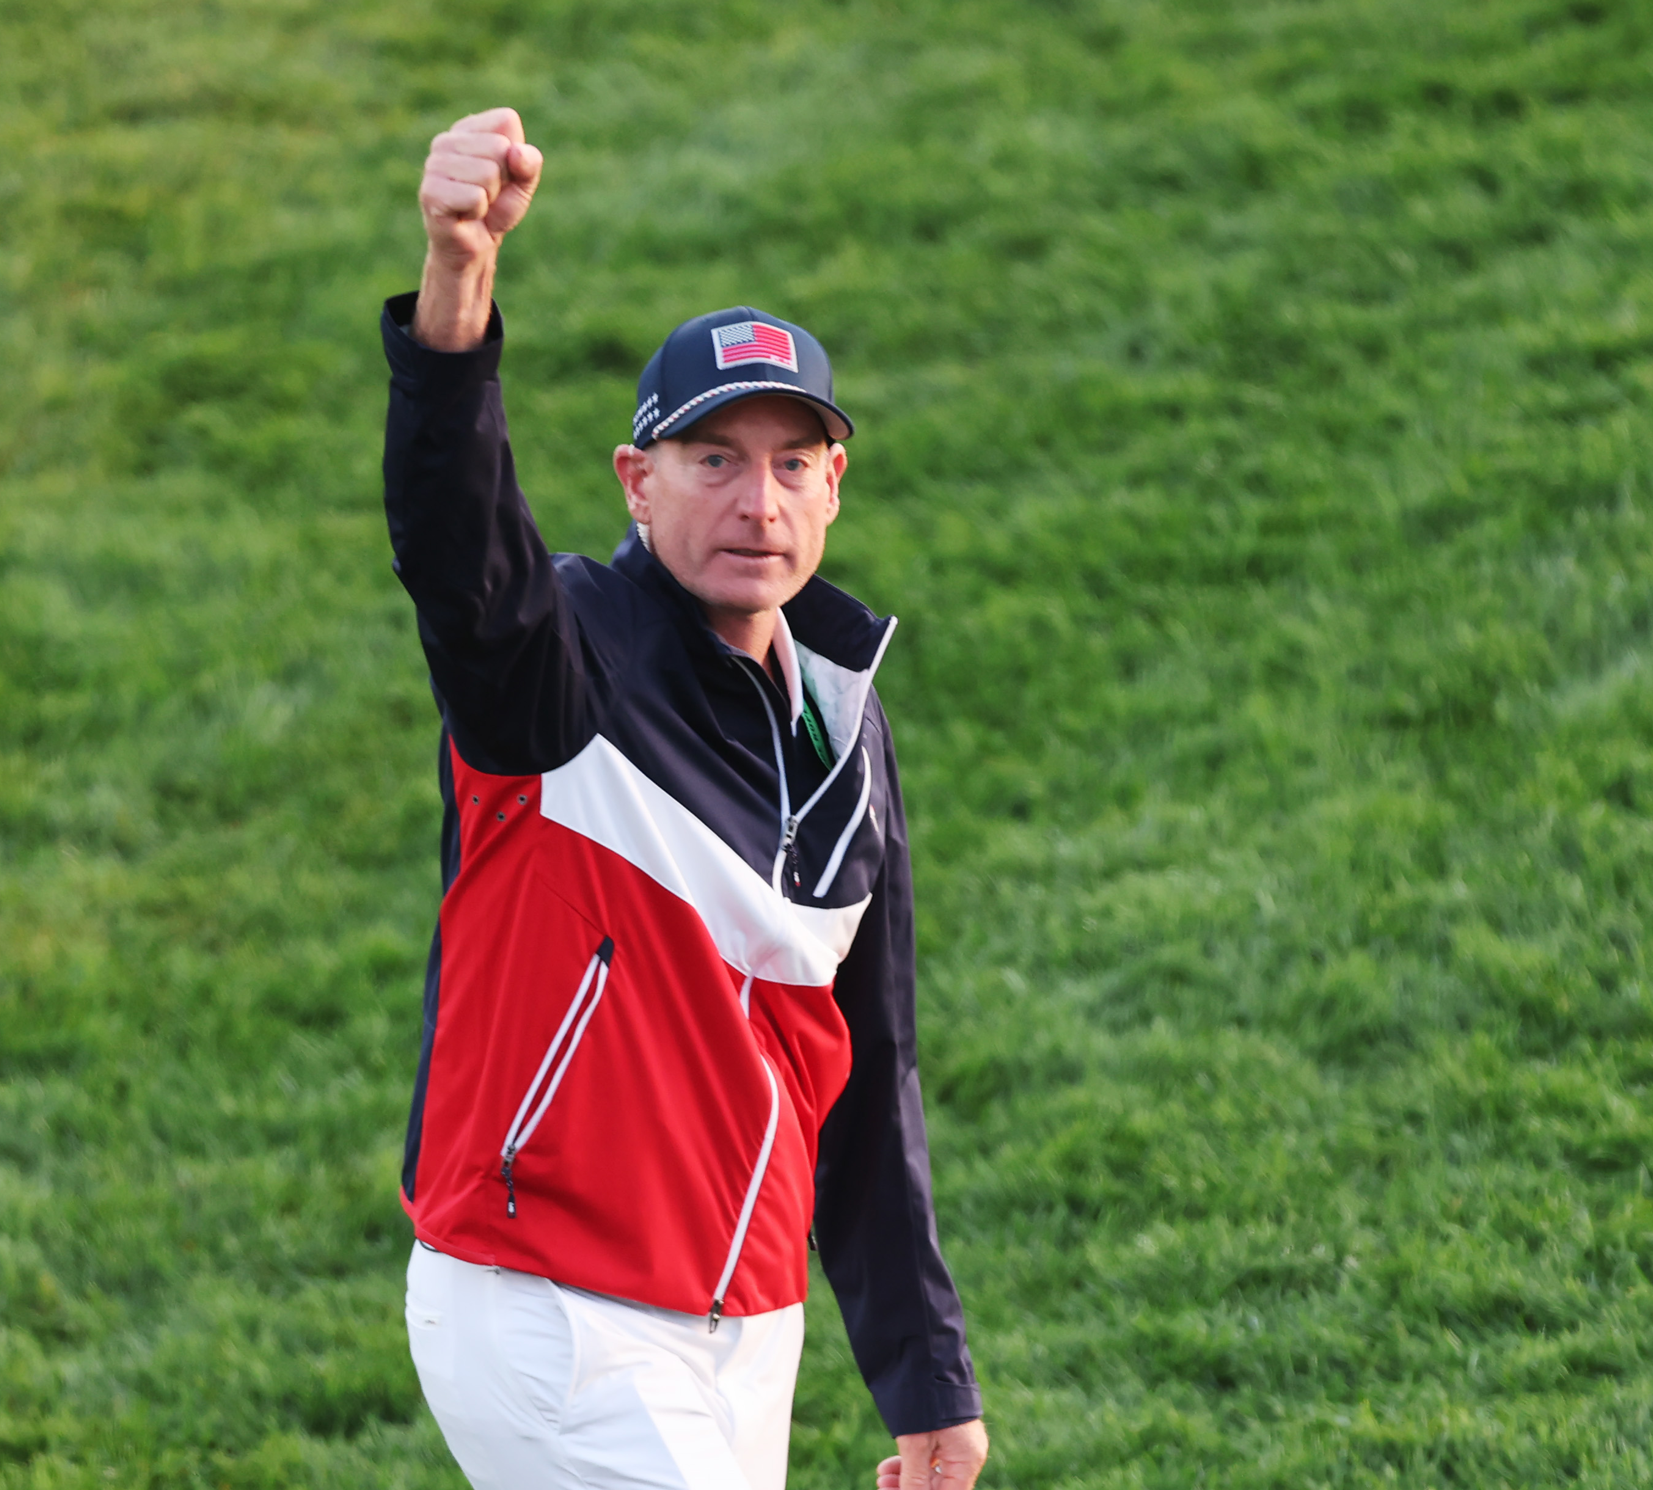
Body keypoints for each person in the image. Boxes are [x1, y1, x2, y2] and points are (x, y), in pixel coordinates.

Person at [378, 106, 991, 1490]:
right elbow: (455, 546)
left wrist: (925, 1376)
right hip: (541, 1300)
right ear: (637, 482)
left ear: (834, 486)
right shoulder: (560, 656)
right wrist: (457, 274)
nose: (754, 499)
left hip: (742, 1329)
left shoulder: (846, 731)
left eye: (789, 463)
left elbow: (865, 1068)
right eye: (713, 459)